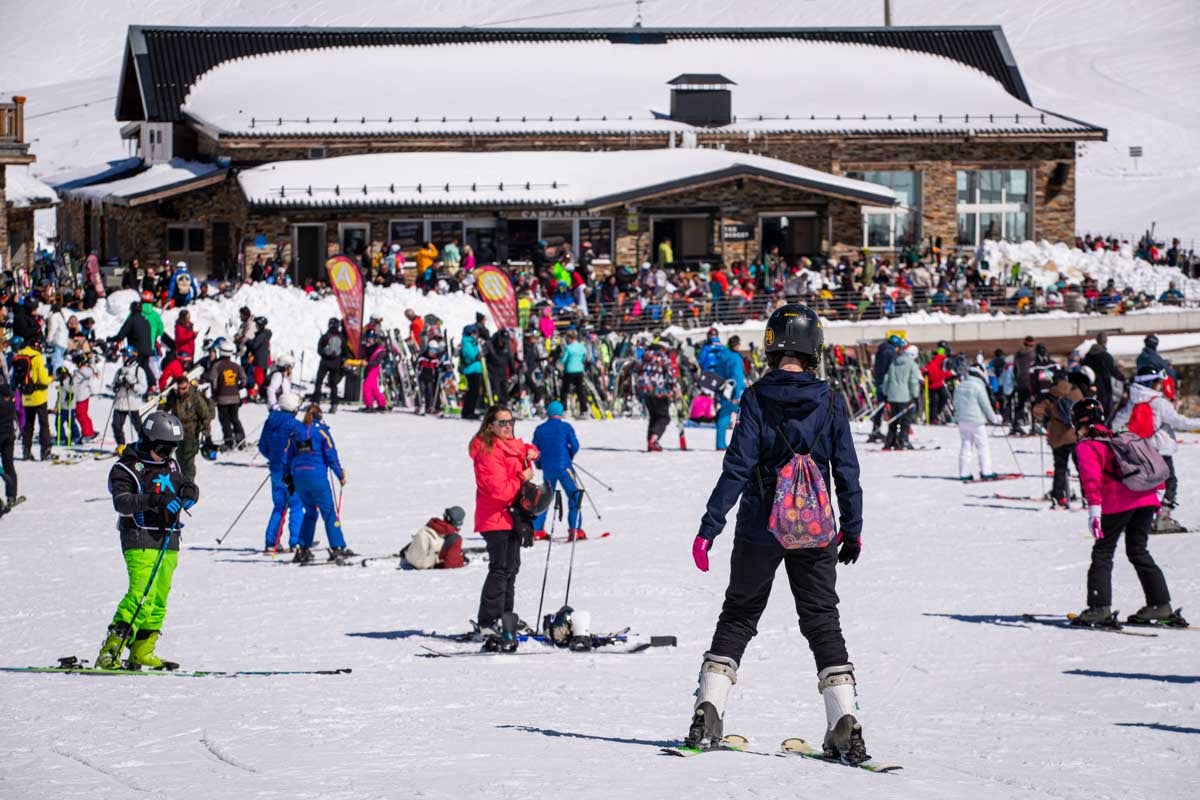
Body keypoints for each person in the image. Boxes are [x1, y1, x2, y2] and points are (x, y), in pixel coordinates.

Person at [686, 304, 866, 762]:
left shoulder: (755, 398)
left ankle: (709, 709)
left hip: (758, 529)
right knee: (823, 620)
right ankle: (844, 721)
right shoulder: (829, 400)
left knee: (739, 616)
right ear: (814, 349)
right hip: (816, 529)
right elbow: (846, 469)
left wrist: (710, 526)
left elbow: (738, 467)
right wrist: (853, 529)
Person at [94, 411, 199, 670]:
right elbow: (123, 502)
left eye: (172, 450)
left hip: (168, 537)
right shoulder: (126, 468)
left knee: (159, 598)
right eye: (163, 449)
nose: (167, 455)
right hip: (139, 536)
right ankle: (111, 650)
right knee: (141, 594)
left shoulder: (171, 465)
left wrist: (190, 491)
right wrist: (155, 499)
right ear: (147, 441)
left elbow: (184, 485)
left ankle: (142, 650)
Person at [1070, 398, 1179, 627]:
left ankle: (1099, 608)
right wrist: (1158, 496)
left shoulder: (1087, 445)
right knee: (1138, 551)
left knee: (1102, 552)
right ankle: (1160, 604)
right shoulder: (1119, 437)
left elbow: (1092, 481)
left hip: (1118, 503)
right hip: (1147, 498)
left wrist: (1094, 511)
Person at [470, 404, 539, 647]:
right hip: (495, 517)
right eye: (502, 422)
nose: (508, 426)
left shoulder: (508, 444)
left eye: (511, 421)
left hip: (512, 517)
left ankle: (505, 616)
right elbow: (499, 491)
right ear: (490, 426)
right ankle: (488, 621)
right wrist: (522, 477)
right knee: (500, 569)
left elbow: (524, 448)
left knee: (512, 568)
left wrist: (532, 451)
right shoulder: (487, 451)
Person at [1111, 367, 1200, 531]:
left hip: (1140, 449)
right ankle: (1163, 517)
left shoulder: (1133, 401)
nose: (1160, 386)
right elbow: (1179, 422)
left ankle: (1134, 518)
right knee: (1169, 481)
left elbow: (1117, 422)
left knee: (1143, 484)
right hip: (1161, 449)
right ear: (1151, 383)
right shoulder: (1159, 402)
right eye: (1158, 383)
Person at [283, 404, 353, 563]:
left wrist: (287, 476)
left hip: (299, 477)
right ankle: (337, 547)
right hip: (317, 477)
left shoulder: (296, 432)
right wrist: (340, 475)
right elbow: (331, 455)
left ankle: (303, 548)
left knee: (310, 512)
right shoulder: (322, 431)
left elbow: (288, 456)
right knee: (328, 512)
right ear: (320, 416)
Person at [1032, 370, 1086, 508]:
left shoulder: (1050, 395)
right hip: (1075, 436)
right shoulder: (1076, 391)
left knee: (1060, 468)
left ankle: (1058, 497)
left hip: (1058, 438)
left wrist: (1046, 419)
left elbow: (1037, 412)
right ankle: (1087, 496)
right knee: (1082, 468)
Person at [258, 391, 304, 553]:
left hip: (276, 470)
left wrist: (274, 458)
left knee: (279, 506)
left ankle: (271, 542)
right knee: (296, 505)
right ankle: (296, 542)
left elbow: (262, 446)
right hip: (292, 472)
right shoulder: (296, 426)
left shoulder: (270, 421)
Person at [530, 401, 583, 540]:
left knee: (545, 497)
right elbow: (575, 446)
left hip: (548, 469)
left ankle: (536, 529)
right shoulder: (565, 427)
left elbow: (534, 451)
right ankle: (575, 529)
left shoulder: (540, 429)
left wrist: (540, 464)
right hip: (565, 467)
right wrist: (568, 456)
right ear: (561, 413)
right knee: (574, 495)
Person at [952, 364, 1002, 481]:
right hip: (977, 421)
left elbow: (955, 403)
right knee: (982, 446)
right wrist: (994, 418)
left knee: (966, 445)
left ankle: (964, 473)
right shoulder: (978, 387)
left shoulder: (960, 386)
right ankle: (986, 471)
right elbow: (986, 405)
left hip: (962, 420)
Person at [165, 374, 213, 482]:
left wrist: (207, 435)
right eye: (179, 388)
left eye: (184, 388)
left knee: (189, 462)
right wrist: (162, 402)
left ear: (188, 386)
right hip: (177, 433)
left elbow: (205, 416)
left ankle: (189, 485)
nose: (181, 391)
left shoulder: (195, 398)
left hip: (191, 433)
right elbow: (163, 409)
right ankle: (182, 483)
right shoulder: (173, 397)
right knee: (180, 460)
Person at [12, 335, 53, 460]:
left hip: (26, 395)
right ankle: (45, 451)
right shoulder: (37, 357)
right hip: (39, 396)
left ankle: (26, 451)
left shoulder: (18, 356)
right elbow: (43, 379)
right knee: (44, 424)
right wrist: (51, 379)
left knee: (28, 425)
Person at [636, 338, 680, 452]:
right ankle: (654, 440)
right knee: (663, 417)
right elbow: (671, 376)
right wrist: (676, 390)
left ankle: (650, 443)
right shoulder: (663, 358)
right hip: (659, 391)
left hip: (645, 391)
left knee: (653, 417)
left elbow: (636, 371)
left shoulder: (643, 358)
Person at [880, 344, 921, 450]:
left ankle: (890, 441)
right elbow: (913, 382)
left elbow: (886, 379)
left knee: (893, 421)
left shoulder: (894, 362)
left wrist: (885, 393)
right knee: (905, 421)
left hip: (892, 396)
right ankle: (903, 441)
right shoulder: (912, 365)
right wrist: (915, 396)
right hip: (905, 397)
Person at [209, 340, 247, 450]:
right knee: (235, 419)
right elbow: (244, 380)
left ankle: (229, 441)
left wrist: (215, 394)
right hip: (235, 397)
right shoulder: (236, 366)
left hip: (222, 398)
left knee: (224, 420)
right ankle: (241, 440)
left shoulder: (217, 366)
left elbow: (213, 381)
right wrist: (237, 387)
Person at [401, 506, 467, 569]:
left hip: (410, 558)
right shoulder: (454, 538)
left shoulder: (433, 524)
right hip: (424, 564)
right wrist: (462, 561)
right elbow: (451, 565)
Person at [110, 300, 155, 390]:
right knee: (145, 367)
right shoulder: (146, 321)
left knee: (135, 368)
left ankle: (135, 386)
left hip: (136, 350)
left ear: (131, 310)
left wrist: (111, 339)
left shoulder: (131, 320)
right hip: (147, 349)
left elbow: (121, 335)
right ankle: (152, 385)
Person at [712, 336, 747, 451]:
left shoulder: (722, 355)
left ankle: (720, 443)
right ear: (736, 345)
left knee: (724, 415)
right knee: (747, 416)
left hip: (723, 388)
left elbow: (717, 372)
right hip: (733, 391)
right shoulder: (736, 358)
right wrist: (737, 395)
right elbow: (737, 376)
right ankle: (745, 444)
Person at [111, 346, 148, 454]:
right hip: (120, 403)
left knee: (139, 427)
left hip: (132, 404)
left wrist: (132, 386)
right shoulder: (119, 371)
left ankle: (143, 445)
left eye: (125, 355)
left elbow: (143, 388)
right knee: (116, 425)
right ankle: (121, 445)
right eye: (123, 355)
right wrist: (116, 387)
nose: (123, 358)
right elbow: (113, 385)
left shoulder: (138, 371)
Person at [1081, 332, 1123, 420]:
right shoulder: (1106, 357)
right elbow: (1113, 371)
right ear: (1106, 341)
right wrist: (1124, 378)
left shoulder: (1088, 356)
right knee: (1105, 410)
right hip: (1104, 386)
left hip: (1090, 387)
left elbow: (1083, 369)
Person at [867, 335, 900, 443]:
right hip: (887, 383)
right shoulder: (890, 352)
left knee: (880, 408)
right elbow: (893, 369)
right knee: (893, 407)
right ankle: (893, 433)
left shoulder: (881, 350)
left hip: (879, 382)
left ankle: (875, 430)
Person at [312, 318, 348, 413]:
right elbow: (345, 351)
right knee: (333, 385)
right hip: (336, 364)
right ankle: (334, 404)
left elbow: (319, 350)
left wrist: (325, 354)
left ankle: (315, 402)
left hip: (324, 362)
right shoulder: (341, 337)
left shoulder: (325, 336)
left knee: (319, 382)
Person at [0, 385, 24, 515]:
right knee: (8, 465)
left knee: (4, 468)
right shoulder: (10, 398)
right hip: (9, 435)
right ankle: (11, 495)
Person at [559, 329, 590, 416]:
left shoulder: (568, 348)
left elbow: (564, 359)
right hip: (579, 370)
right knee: (580, 390)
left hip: (569, 370)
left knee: (564, 390)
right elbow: (584, 358)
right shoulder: (581, 347)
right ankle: (584, 410)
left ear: (569, 338)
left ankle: (564, 409)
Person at [922, 341, 954, 424]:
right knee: (934, 401)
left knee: (944, 397)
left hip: (939, 382)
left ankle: (936, 415)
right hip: (932, 383)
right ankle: (933, 418)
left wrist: (951, 375)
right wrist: (925, 372)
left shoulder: (944, 359)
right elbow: (928, 368)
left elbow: (944, 370)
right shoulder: (934, 359)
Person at [1011, 335, 1037, 434]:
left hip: (1020, 383)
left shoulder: (1017, 354)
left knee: (1020, 405)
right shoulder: (1034, 354)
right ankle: (1033, 427)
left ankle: (1015, 425)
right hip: (1031, 383)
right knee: (1034, 405)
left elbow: (1015, 370)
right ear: (1033, 343)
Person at [459, 326, 485, 420]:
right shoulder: (466, 341)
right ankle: (467, 411)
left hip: (476, 369)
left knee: (476, 391)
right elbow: (469, 355)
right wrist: (477, 355)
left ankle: (471, 410)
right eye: (474, 332)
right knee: (472, 391)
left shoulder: (473, 342)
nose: (476, 334)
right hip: (470, 370)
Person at [360, 330, 388, 412]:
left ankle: (369, 405)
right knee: (374, 388)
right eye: (368, 338)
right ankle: (381, 404)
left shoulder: (379, 349)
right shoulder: (365, 347)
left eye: (371, 338)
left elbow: (377, 362)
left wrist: (367, 363)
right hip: (368, 369)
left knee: (366, 387)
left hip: (374, 369)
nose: (369, 340)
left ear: (375, 339)